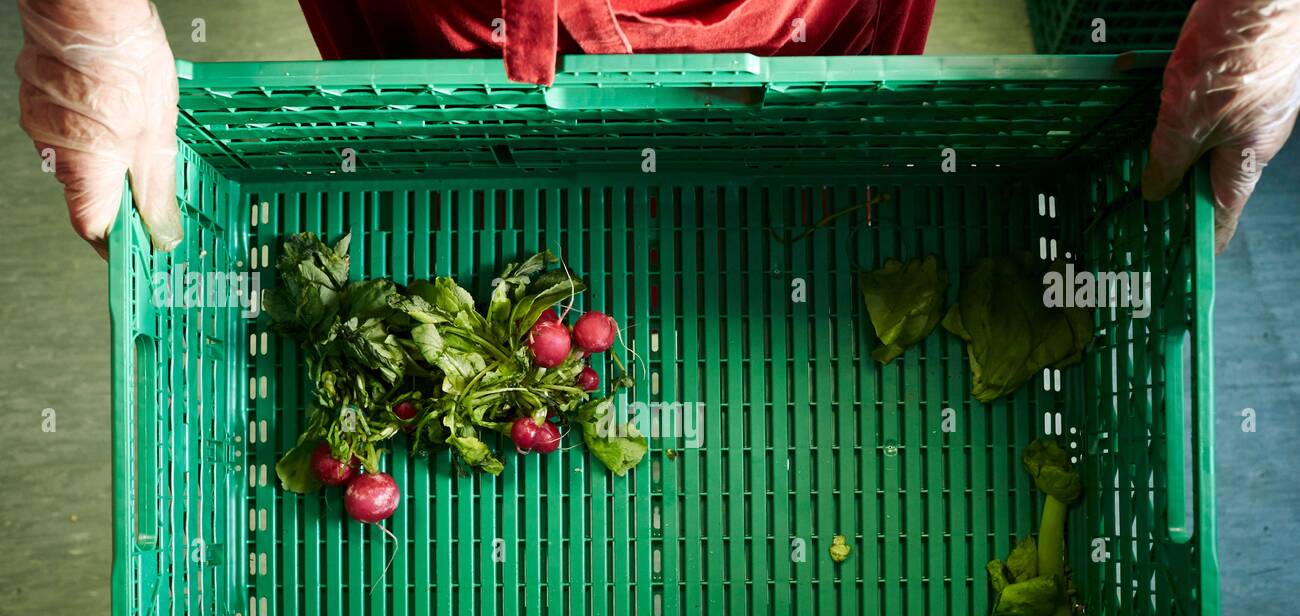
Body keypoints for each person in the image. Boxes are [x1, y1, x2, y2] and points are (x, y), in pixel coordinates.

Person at [14, 0, 1300, 257]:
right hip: (457, 14)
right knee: (490, 196)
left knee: (794, 192)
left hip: (783, 16)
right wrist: (87, 18)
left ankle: (791, 235)